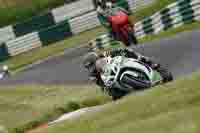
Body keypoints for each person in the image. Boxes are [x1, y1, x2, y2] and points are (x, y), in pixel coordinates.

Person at [83, 48, 158, 89]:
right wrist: (106, 88)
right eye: (89, 67)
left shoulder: (103, 55)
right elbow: (101, 85)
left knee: (128, 51)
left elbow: (116, 51)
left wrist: (120, 51)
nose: (92, 68)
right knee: (112, 94)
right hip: (110, 79)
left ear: (97, 58)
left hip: (115, 65)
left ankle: (150, 63)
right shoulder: (92, 75)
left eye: (92, 64)